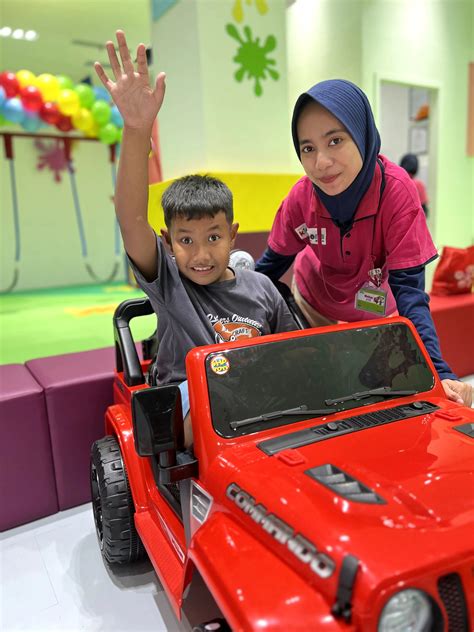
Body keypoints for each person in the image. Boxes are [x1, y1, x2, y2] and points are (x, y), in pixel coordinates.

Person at [94, 31, 296, 446]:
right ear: (168, 243)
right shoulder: (169, 282)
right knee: (210, 406)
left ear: (233, 236)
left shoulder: (263, 289)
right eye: (186, 240)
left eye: (213, 237)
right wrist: (137, 129)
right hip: (191, 398)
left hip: (259, 398)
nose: (201, 254)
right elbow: (131, 220)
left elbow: (294, 352)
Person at [256, 79, 472, 407]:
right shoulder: (302, 197)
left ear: (361, 135)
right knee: (319, 394)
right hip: (313, 303)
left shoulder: (396, 193)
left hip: (376, 309)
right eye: (308, 148)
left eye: (335, 140)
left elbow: (411, 295)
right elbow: (268, 269)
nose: (321, 162)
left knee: (374, 398)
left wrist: (439, 371)